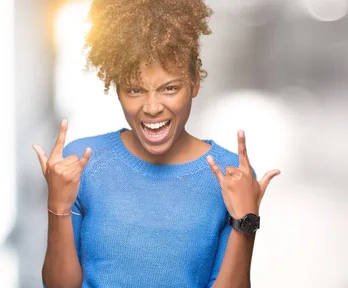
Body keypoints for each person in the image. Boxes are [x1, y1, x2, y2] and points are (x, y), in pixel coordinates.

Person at [32, 0, 280, 287]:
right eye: (134, 90)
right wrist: (57, 206)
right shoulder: (82, 163)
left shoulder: (228, 175)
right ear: (116, 88)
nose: (151, 107)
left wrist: (245, 222)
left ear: (195, 82)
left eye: (169, 88)